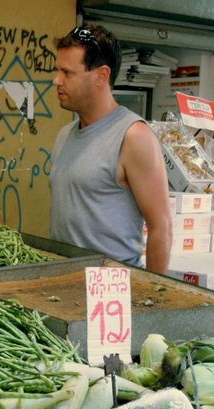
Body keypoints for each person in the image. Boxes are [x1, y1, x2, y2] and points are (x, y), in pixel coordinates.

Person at [49, 25, 172, 274]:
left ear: (101, 76)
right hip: (63, 286)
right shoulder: (64, 135)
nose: (57, 80)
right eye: (57, 71)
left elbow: (162, 227)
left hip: (110, 295)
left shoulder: (134, 136)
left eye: (67, 73)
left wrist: (154, 298)